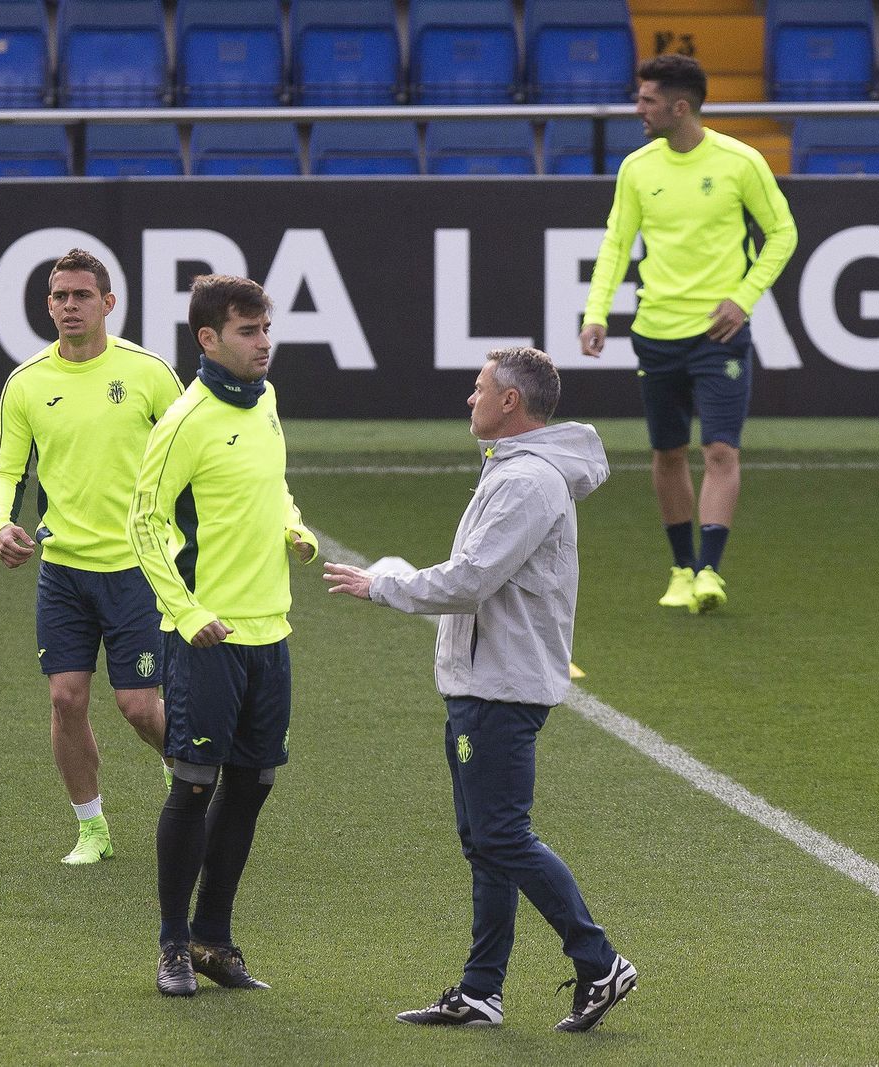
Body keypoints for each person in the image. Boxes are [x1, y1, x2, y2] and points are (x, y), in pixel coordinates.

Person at [324, 347, 636, 1034]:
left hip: (501, 684)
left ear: (510, 403)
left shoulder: (527, 483)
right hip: (485, 678)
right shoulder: (516, 472)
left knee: (500, 834)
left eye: (479, 388)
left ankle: (599, 959)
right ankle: (481, 991)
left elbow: (470, 580)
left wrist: (384, 585)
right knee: (486, 840)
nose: (470, 399)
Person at [128, 274, 318, 998]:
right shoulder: (184, 420)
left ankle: (214, 938)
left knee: (252, 785)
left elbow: (274, 487)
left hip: (270, 629)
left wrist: (293, 527)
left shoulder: (266, 400)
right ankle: (172, 945)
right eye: (248, 330)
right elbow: (144, 524)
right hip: (207, 636)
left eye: (266, 328)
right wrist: (184, 610)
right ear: (208, 339)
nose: (263, 342)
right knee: (193, 785)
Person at [580, 52, 798, 614]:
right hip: (655, 332)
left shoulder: (739, 161)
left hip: (718, 336)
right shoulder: (637, 168)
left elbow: (782, 233)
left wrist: (744, 299)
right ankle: (680, 567)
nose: (639, 108)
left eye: (648, 99)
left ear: (680, 107)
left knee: (721, 449)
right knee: (668, 453)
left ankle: (709, 572)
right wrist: (596, 312)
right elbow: (614, 243)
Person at [0, 248, 183, 866]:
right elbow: (7, 472)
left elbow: (192, 455)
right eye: (59, 297)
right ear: (48, 306)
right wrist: (0, 525)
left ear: (108, 303)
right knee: (66, 699)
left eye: (81, 296)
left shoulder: (149, 374)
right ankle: (91, 828)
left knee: (139, 707)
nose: (70, 307)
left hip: (136, 568)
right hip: (64, 569)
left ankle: (187, 776)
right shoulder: (25, 384)